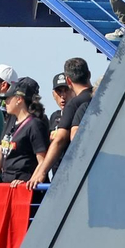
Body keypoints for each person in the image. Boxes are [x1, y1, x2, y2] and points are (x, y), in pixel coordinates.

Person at [30, 58, 93, 186]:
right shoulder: (102, 97)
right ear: (89, 74)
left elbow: (60, 140)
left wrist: (42, 172)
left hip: (74, 173)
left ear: (69, 80)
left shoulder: (74, 104)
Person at [0, 78, 51, 190]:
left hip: (25, 188)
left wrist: (29, 183)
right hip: (8, 185)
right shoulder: (11, 120)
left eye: (8, 99)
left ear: (19, 99)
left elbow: (42, 161)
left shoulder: (35, 124)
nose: (5, 102)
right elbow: (0, 150)